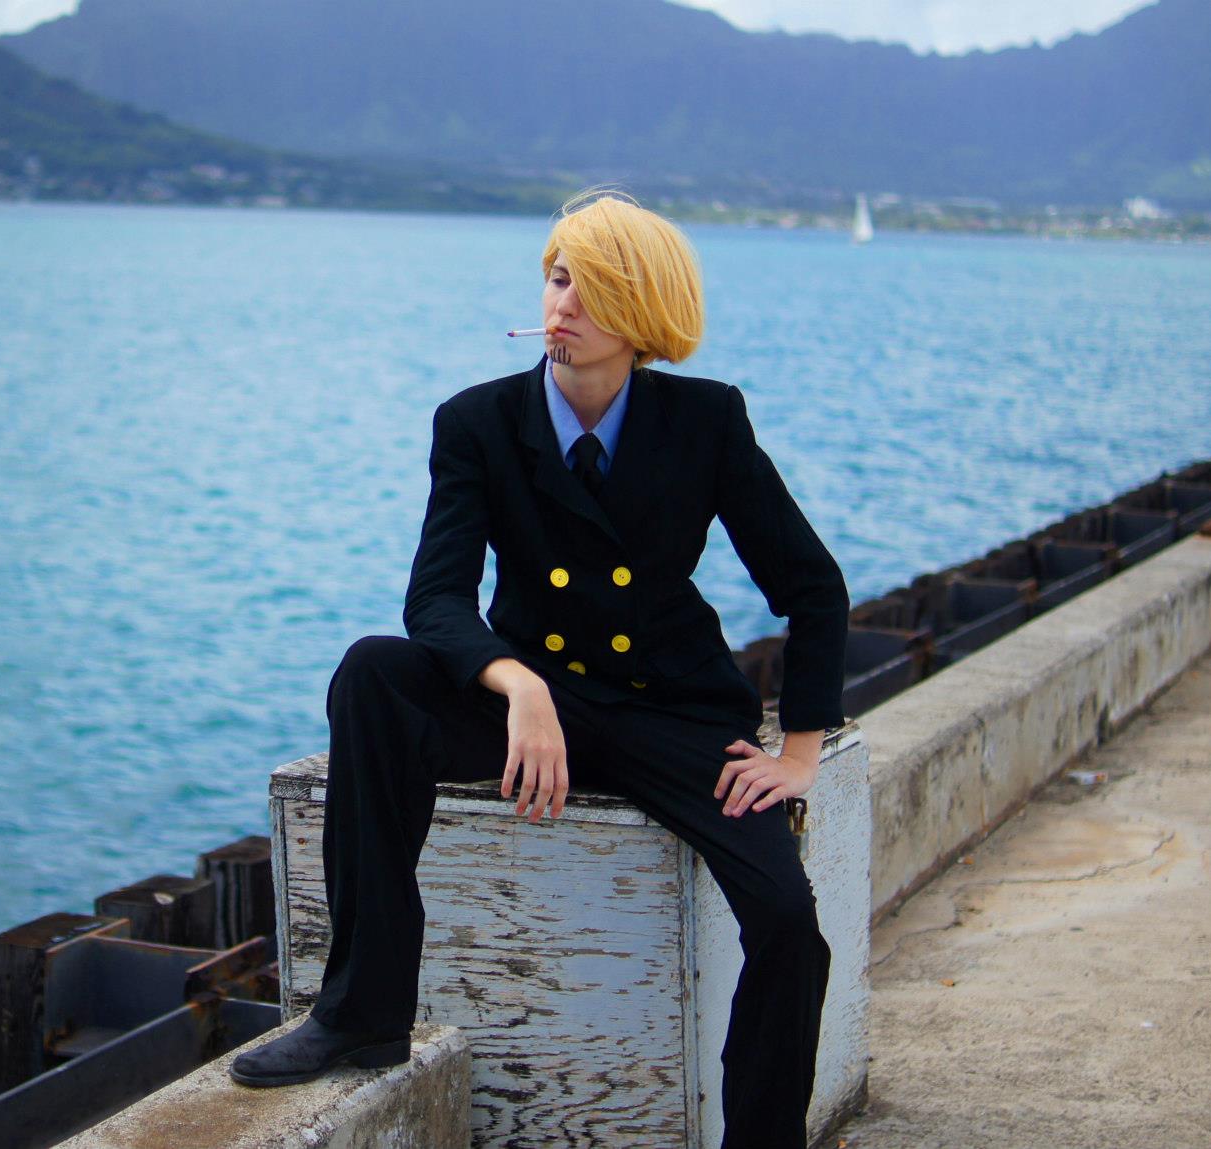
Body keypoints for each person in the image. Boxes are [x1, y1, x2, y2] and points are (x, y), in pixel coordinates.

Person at [229, 188, 850, 1149]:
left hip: (672, 713)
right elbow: (435, 599)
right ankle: (361, 1012)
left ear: (643, 311)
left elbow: (811, 586)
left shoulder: (706, 420)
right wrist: (516, 682)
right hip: (534, 702)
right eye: (558, 278)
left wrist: (799, 753)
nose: (564, 304)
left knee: (787, 924)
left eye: (592, 289)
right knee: (374, 677)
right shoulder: (478, 421)